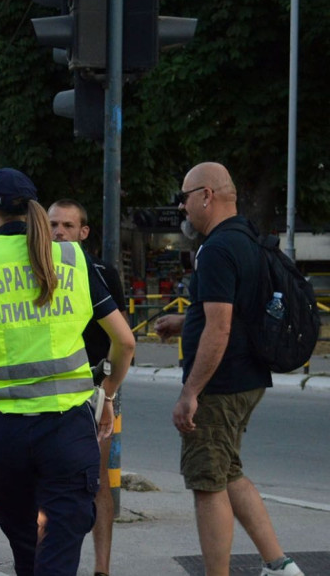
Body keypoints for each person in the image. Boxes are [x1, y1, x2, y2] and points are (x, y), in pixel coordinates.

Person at [0, 168, 133, 576]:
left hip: (2, 434)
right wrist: (109, 396)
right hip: (65, 430)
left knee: (26, 553)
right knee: (58, 554)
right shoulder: (70, 258)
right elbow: (126, 342)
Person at [154, 163, 304, 576]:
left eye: (184, 198)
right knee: (228, 470)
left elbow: (220, 327)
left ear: (206, 195)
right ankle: (280, 566)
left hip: (220, 383)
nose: (182, 208)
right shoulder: (249, 239)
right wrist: (185, 322)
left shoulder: (217, 248)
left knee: (207, 483)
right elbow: (235, 312)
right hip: (248, 374)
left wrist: (190, 394)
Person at [48, 198, 128, 576]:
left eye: (67, 225)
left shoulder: (100, 272)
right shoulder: (36, 269)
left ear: (84, 233)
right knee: (50, 484)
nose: (58, 232)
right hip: (50, 391)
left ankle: (102, 569)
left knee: (96, 481)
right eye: (52, 225)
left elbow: (123, 337)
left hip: (97, 391)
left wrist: (109, 390)